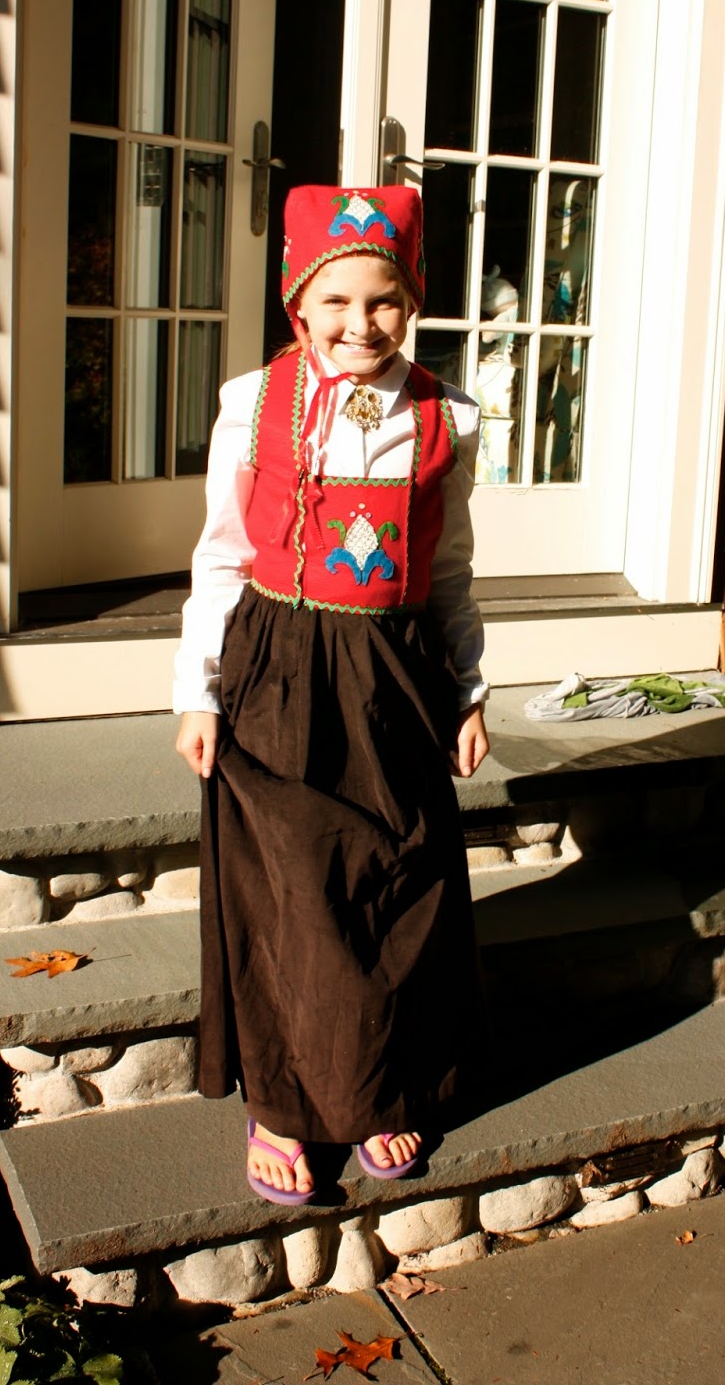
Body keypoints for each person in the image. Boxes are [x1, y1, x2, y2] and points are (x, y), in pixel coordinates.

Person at [173, 185, 489, 1206]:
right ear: (298, 303)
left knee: (398, 880)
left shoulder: (447, 415)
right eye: (337, 300)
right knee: (286, 888)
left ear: (415, 299)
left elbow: (450, 572)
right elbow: (221, 558)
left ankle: (385, 1082)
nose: (362, 323)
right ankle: (282, 1103)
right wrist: (197, 692)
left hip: (397, 674)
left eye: (385, 299)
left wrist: (469, 689)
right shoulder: (251, 404)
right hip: (278, 669)